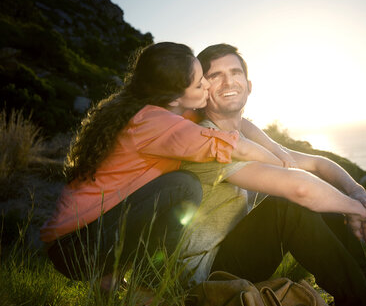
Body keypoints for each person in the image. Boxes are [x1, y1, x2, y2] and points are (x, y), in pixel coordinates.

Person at [40, 42, 285, 288]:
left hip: (83, 238)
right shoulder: (158, 123)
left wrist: (277, 147)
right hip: (75, 250)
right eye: (200, 84)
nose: (208, 85)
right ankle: (148, 287)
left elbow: (237, 124)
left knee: (171, 189)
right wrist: (284, 170)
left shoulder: (165, 111)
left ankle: (112, 280)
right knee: (182, 187)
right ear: (177, 96)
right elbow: (236, 145)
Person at [178, 44, 366, 306]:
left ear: (249, 85)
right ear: (204, 89)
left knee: (329, 199)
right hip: (204, 277)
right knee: (289, 206)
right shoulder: (207, 140)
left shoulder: (244, 134)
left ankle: (365, 295)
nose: (228, 81)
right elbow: (300, 189)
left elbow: (316, 163)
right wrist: (361, 211)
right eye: (215, 75)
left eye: (235, 72)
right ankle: (362, 304)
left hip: (233, 253)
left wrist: (358, 193)